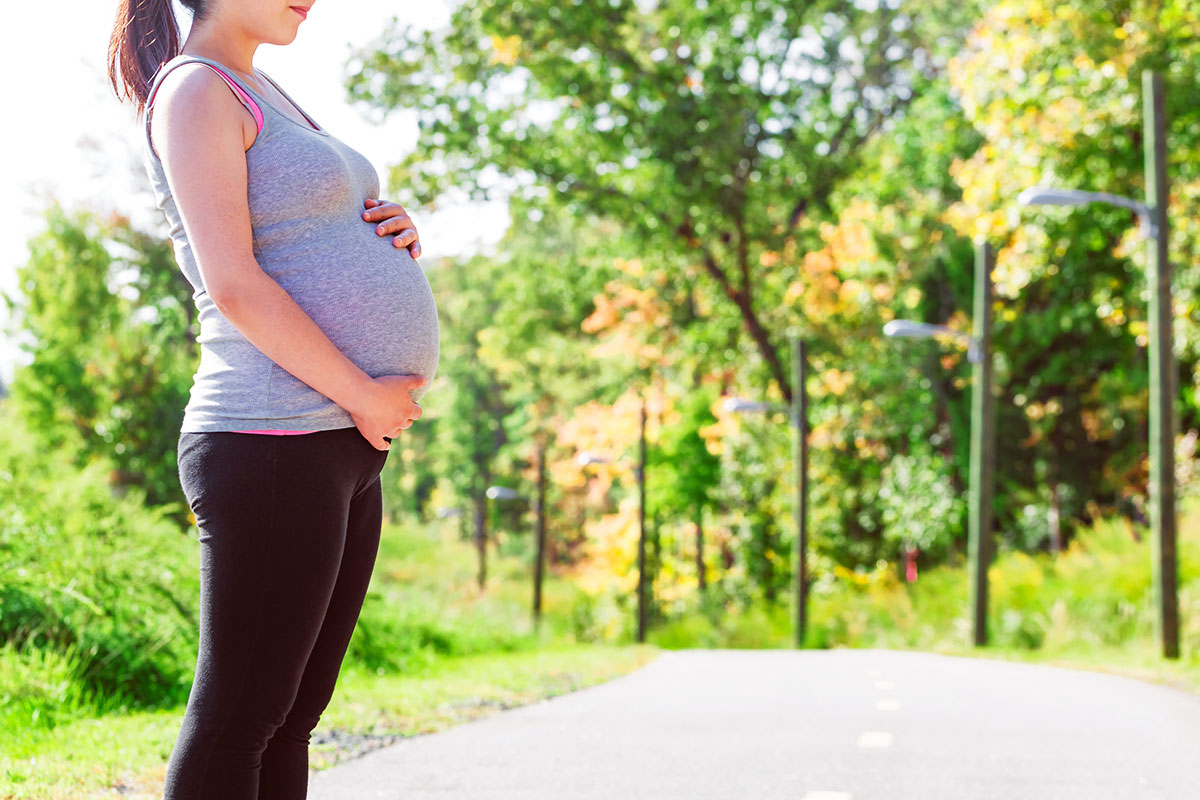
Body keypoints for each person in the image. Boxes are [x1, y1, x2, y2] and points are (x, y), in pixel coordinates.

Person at [106, 0, 441, 797]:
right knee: (239, 719)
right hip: (270, 439)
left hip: (337, 443)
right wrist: (363, 393)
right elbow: (233, 283)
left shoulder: (261, 86)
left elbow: (297, 228)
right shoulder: (196, 89)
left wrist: (385, 226)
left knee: (291, 720)